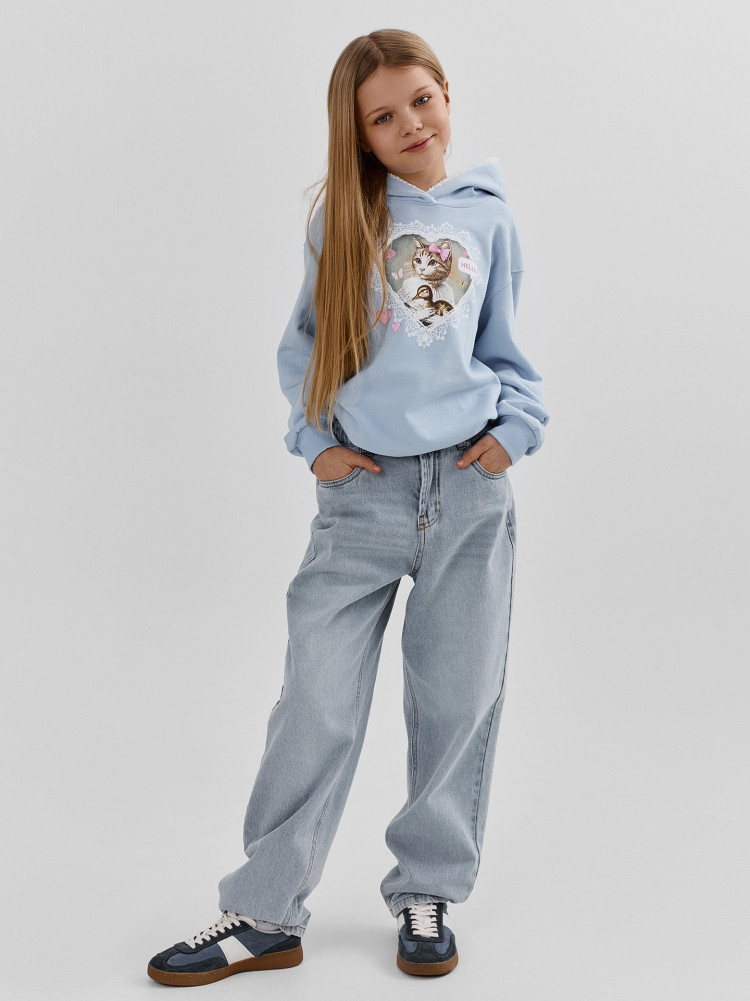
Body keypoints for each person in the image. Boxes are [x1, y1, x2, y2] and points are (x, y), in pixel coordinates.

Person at [147, 28, 549, 986]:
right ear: (358, 134)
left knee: (457, 700)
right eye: (382, 116)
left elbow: (504, 349)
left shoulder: (489, 219)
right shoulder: (345, 218)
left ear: (446, 91)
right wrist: (316, 443)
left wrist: (517, 429)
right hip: (363, 496)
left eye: (421, 100)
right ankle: (264, 910)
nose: (410, 123)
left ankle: (428, 889)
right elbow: (303, 345)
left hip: (468, 488)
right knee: (316, 701)